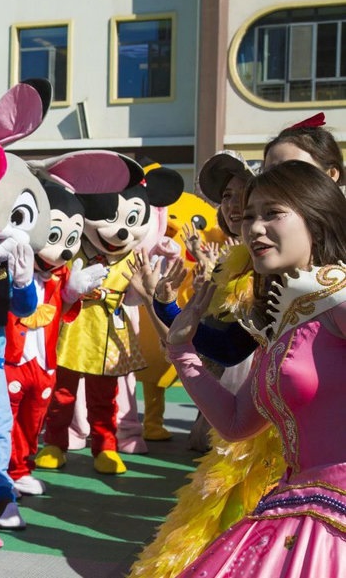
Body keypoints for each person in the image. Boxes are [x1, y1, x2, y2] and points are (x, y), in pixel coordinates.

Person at [167, 160, 346, 575]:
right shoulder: (280, 324)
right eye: (249, 217)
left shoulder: (337, 300)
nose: (254, 228)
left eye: (272, 213)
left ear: (317, 219)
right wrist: (181, 351)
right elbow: (236, 423)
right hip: (292, 510)